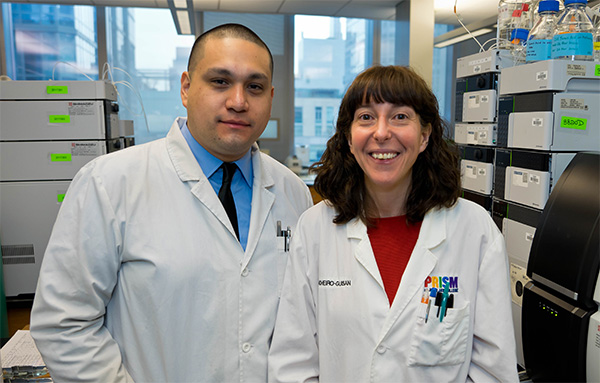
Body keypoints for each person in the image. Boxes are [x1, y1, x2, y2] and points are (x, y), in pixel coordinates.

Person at [30, 23, 313, 382]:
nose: (238, 101)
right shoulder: (110, 183)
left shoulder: (292, 192)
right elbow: (63, 323)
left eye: (254, 87)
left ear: (270, 97)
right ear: (186, 87)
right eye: (220, 81)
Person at [268, 65, 519, 382]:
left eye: (400, 116)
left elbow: (492, 371)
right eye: (366, 117)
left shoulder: (475, 229)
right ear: (348, 137)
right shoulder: (315, 228)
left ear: (425, 135)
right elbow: (293, 364)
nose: (382, 132)